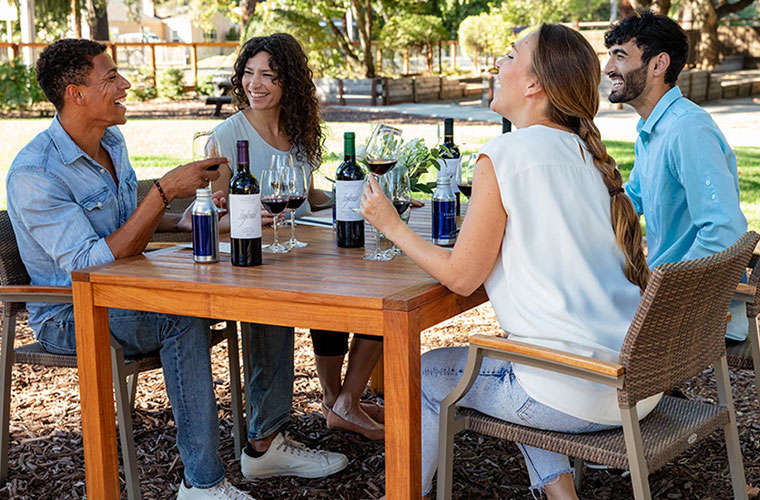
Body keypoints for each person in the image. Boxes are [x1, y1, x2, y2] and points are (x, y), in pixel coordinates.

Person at [362, 24, 663, 499]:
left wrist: (391, 225)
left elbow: (462, 278)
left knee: (419, 375)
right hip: (632, 382)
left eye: (508, 56)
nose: (495, 65)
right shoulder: (583, 152)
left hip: (574, 394)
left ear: (533, 85)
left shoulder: (504, 152)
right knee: (515, 350)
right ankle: (562, 494)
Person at [6, 39, 253, 500]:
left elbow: (120, 227)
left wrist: (179, 219)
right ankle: (203, 485)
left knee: (242, 287)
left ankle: (269, 439)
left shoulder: (111, 141)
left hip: (125, 293)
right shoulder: (35, 174)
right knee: (181, 314)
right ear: (76, 94)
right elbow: (86, 264)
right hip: (71, 313)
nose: (125, 85)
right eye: (111, 78)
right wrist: (163, 191)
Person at [210, 33, 383, 470]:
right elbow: (214, 215)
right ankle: (335, 406)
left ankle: (342, 401)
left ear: (291, 82)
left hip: (307, 252)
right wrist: (251, 217)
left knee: (379, 286)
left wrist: (363, 196)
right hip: (261, 264)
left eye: (269, 75)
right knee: (343, 289)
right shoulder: (227, 137)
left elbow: (306, 197)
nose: (256, 84)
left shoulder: (300, 131)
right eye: (249, 74)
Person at [604, 11, 748, 340]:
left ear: (658, 64)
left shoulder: (686, 127)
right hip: (668, 297)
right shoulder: (654, 126)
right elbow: (634, 198)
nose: (609, 68)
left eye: (620, 56)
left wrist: (663, 293)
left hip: (692, 311)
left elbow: (724, 229)